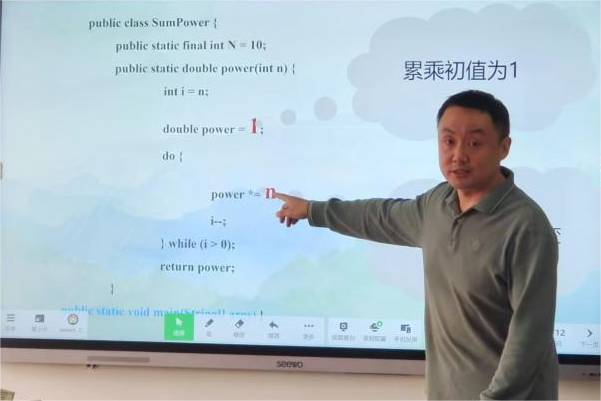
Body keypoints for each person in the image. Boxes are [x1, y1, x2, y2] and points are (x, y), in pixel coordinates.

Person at [275, 90, 558, 401]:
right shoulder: (437, 204)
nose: (458, 155)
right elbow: (380, 216)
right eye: (448, 141)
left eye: (474, 143)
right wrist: (312, 210)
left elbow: (531, 332)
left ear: (504, 147)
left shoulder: (526, 226)